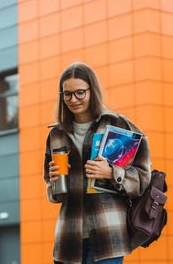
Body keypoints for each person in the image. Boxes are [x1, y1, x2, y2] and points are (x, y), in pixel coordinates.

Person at [43, 62, 152, 264]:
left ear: (92, 90)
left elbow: (144, 181)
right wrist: (55, 180)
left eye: (79, 93)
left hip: (108, 236)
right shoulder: (56, 134)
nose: (73, 100)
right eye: (67, 94)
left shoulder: (118, 126)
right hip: (69, 239)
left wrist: (112, 173)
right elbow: (54, 195)